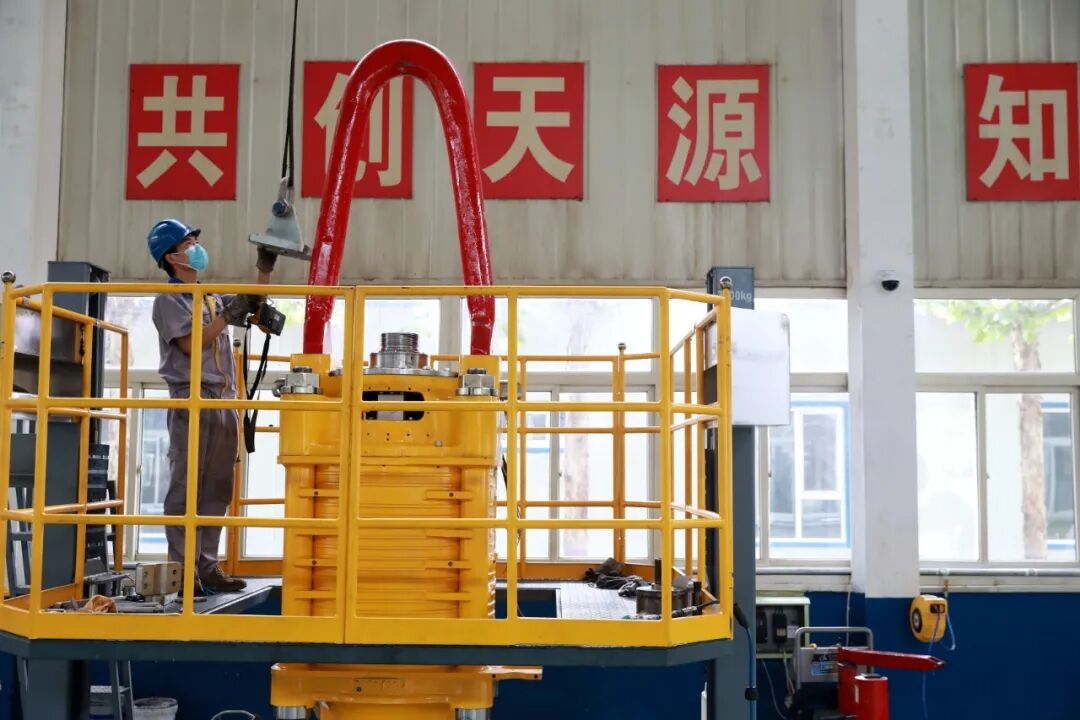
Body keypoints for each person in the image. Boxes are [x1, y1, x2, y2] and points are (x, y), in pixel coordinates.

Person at [147, 219, 277, 595]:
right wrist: (226, 316)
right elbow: (191, 344)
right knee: (186, 487)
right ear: (171, 257)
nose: (196, 248)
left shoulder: (211, 297)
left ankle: (207, 566)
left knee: (217, 488)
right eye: (188, 243)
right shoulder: (169, 300)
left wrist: (264, 269)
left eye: (194, 241)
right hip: (192, 400)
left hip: (224, 403)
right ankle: (183, 570)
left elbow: (253, 305)